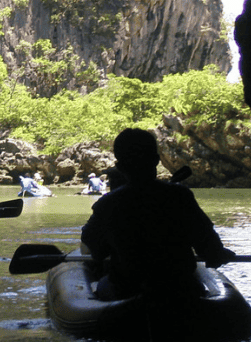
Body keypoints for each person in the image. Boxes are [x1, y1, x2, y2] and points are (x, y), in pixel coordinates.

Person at [81, 128, 236, 300]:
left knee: (103, 284)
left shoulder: (107, 205)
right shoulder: (180, 197)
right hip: (179, 287)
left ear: (120, 167)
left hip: (128, 289)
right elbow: (210, 250)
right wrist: (220, 254)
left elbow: (95, 250)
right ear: (156, 160)